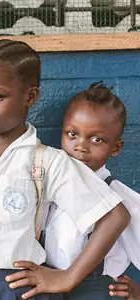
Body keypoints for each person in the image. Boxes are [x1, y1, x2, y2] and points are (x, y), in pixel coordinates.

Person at [0, 39, 131, 300]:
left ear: (31, 96)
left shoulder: (48, 162)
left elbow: (115, 216)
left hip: (17, 290)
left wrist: (68, 277)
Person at [45, 81, 140, 300]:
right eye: (72, 134)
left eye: (96, 139)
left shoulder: (119, 197)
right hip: (52, 289)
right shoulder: (51, 186)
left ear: (115, 148)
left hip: (96, 292)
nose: (80, 146)